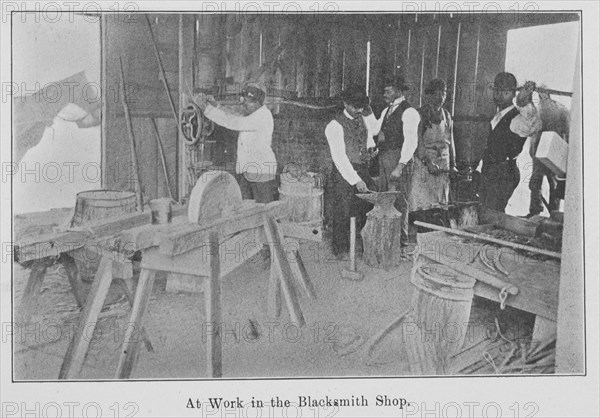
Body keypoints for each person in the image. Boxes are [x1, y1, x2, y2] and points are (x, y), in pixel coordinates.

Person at [194, 82, 278, 203]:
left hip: (261, 171)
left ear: (258, 103)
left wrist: (206, 108)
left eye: (248, 103)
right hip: (247, 170)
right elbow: (234, 115)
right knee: (244, 207)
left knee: (263, 210)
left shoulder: (263, 116)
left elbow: (233, 122)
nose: (244, 105)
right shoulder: (253, 114)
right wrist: (216, 105)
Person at [364, 75, 420, 246]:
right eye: (384, 90)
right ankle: (388, 239)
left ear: (399, 90)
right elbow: (375, 129)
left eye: (388, 90)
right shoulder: (387, 110)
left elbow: (411, 141)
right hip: (385, 158)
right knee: (386, 199)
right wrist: (367, 112)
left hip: (398, 160)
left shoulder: (409, 112)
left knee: (399, 201)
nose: (385, 93)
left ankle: (401, 242)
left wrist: (400, 166)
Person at [325, 85, 378, 258]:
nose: (359, 110)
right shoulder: (334, 125)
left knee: (364, 207)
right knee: (343, 210)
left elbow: (371, 134)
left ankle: (361, 246)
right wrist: (355, 180)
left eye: (362, 106)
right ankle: (340, 249)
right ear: (345, 103)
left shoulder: (362, 117)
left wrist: (371, 149)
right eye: (355, 106)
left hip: (362, 167)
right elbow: (339, 157)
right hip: (344, 172)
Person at [478, 73, 542, 212]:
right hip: (491, 171)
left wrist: (524, 102)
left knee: (492, 212)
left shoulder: (517, 118)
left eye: (505, 92)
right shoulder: (498, 116)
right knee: (489, 212)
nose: (499, 95)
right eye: (497, 91)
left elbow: (533, 124)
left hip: (504, 173)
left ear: (513, 93)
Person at [410, 78, 457, 212]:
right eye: (437, 93)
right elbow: (417, 143)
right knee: (423, 206)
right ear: (429, 95)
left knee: (440, 206)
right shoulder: (420, 114)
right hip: (424, 166)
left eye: (444, 93)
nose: (441, 97)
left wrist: (453, 165)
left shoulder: (447, 115)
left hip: (443, 166)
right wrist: (428, 163)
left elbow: (451, 142)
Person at [526, 89, 570, 217]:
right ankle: (535, 210)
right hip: (538, 153)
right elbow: (533, 131)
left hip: (553, 153)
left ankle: (554, 212)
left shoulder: (561, 110)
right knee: (535, 183)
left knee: (554, 184)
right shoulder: (538, 110)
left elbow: (567, 133)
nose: (540, 97)